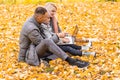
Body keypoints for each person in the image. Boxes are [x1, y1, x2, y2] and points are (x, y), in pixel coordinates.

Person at [18, 6, 89, 68]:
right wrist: (21, 60)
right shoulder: (31, 28)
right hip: (31, 53)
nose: (47, 19)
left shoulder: (36, 21)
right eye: (46, 18)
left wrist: (58, 37)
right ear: (39, 18)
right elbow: (43, 43)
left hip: (35, 48)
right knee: (48, 42)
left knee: (61, 45)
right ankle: (71, 61)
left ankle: (72, 60)